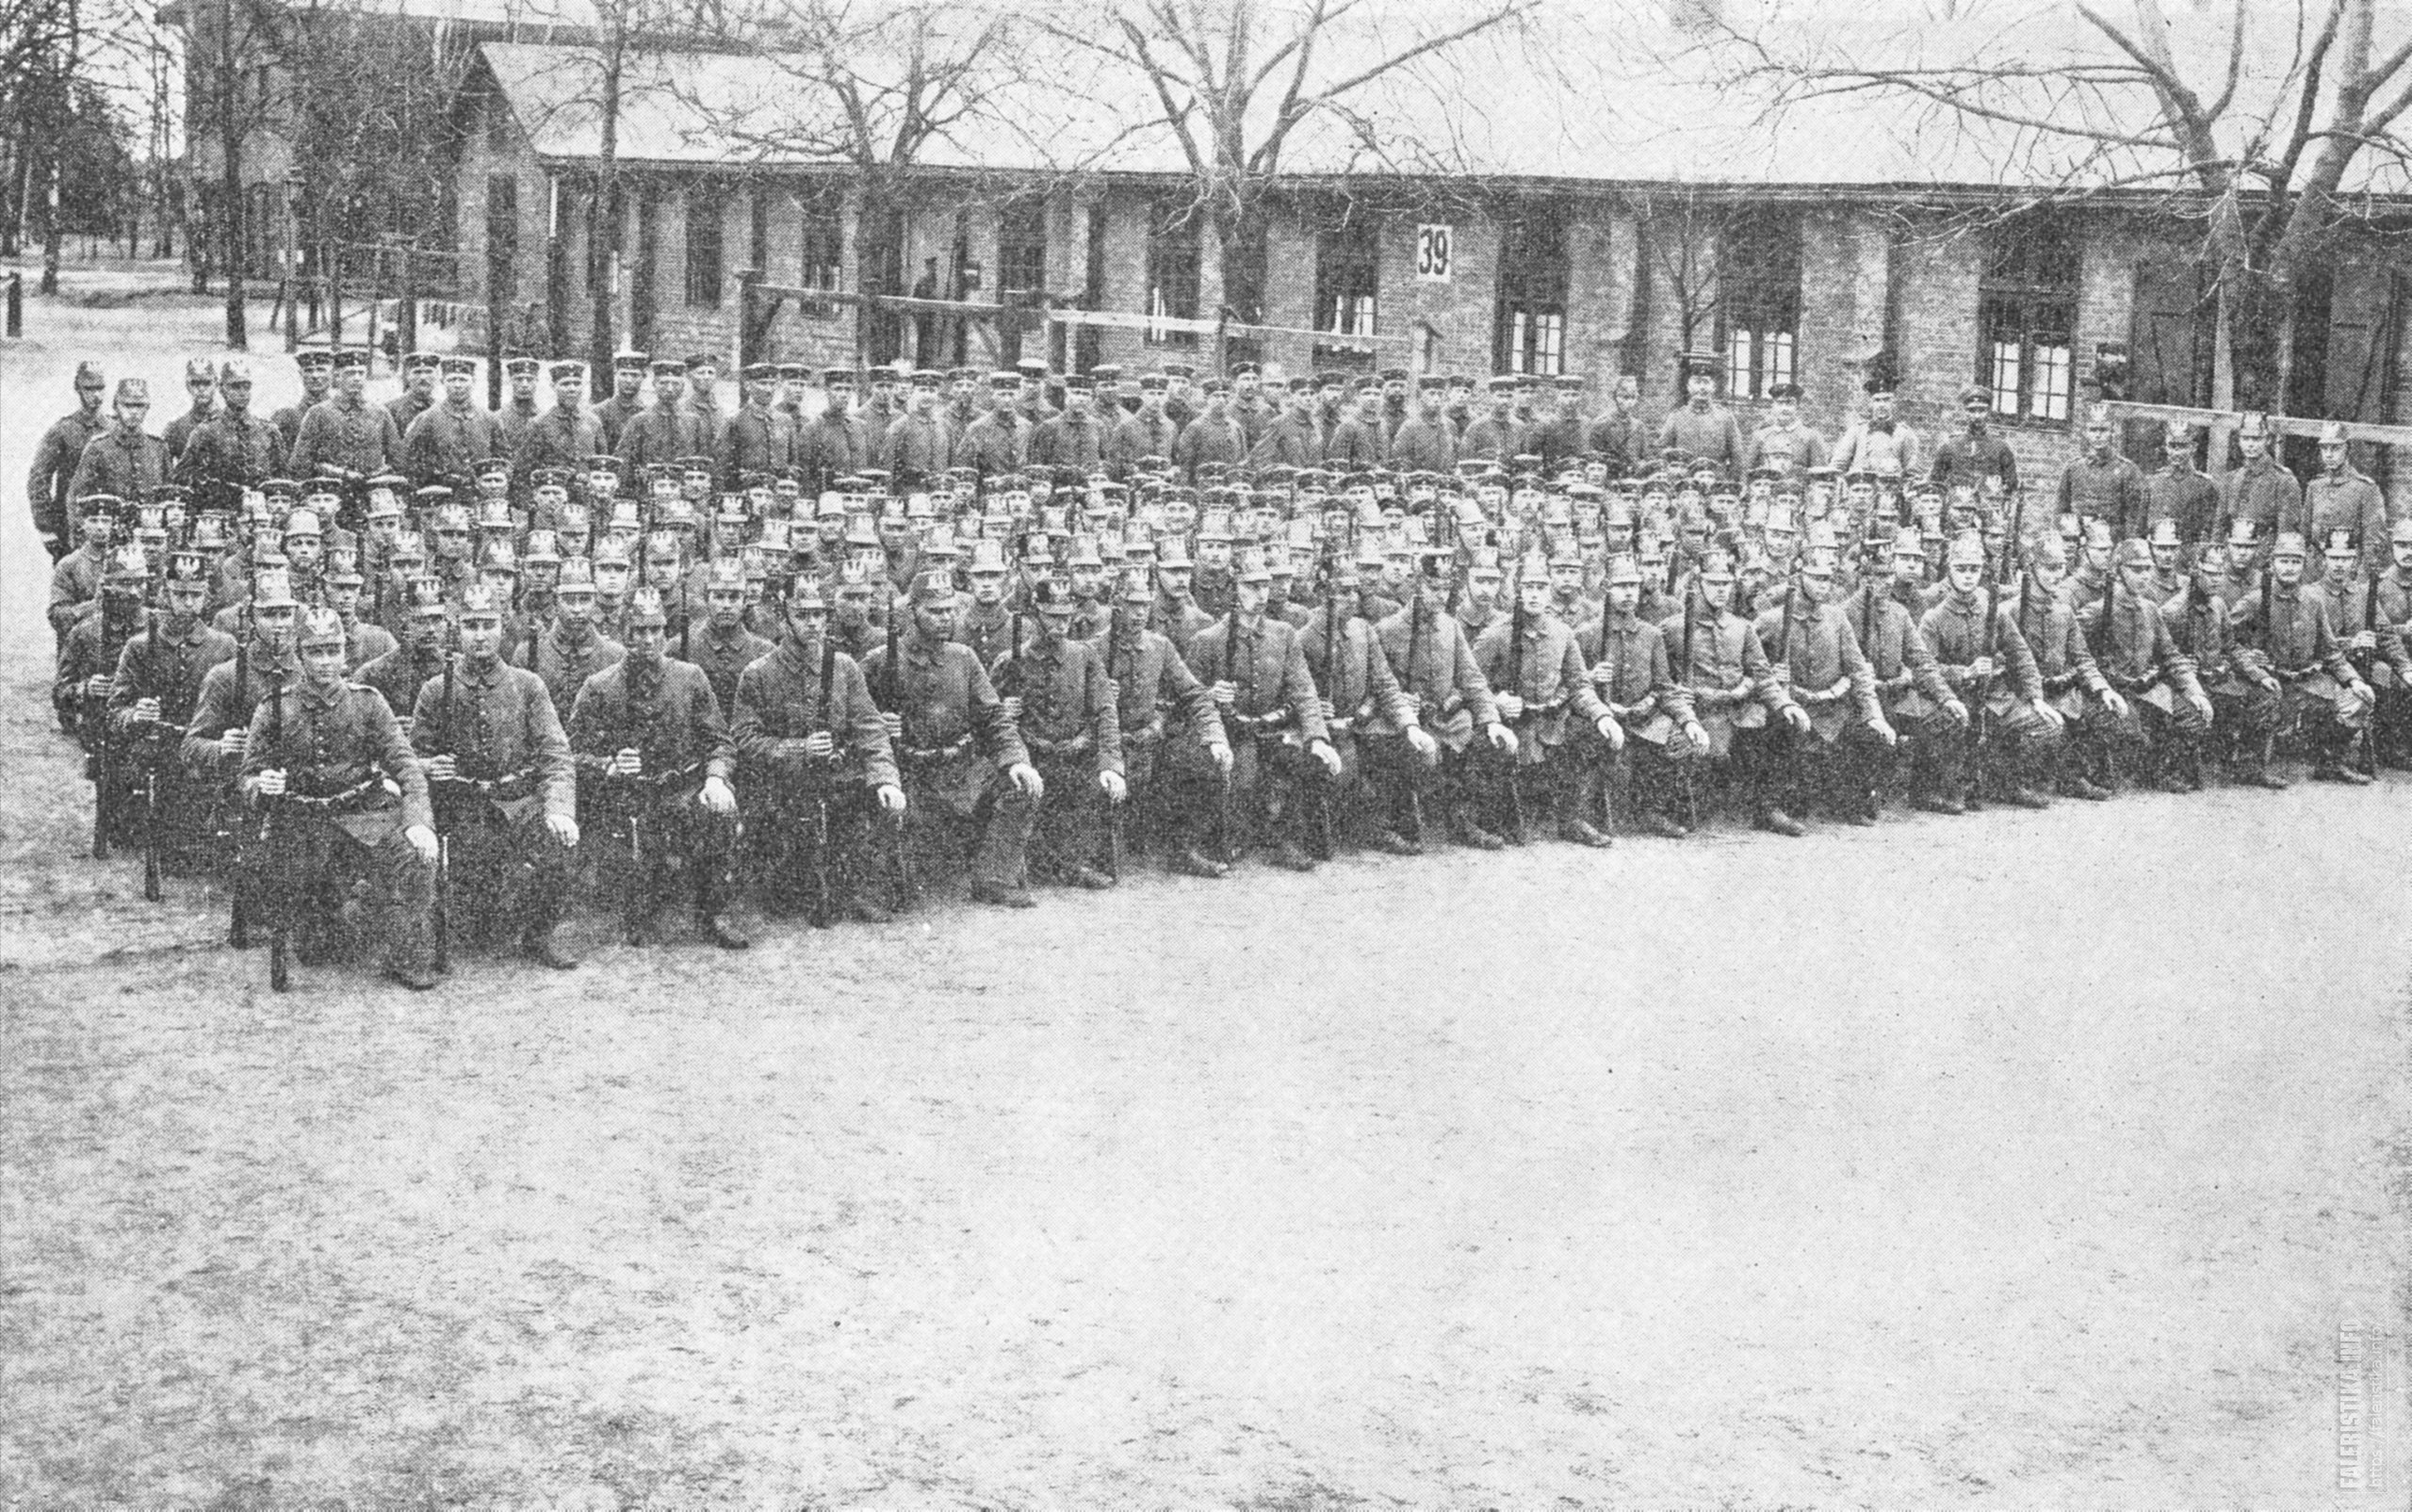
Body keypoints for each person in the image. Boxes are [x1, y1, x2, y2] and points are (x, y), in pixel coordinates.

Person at [240, 605, 440, 990]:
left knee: (412, 857)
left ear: (346, 653)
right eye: (315, 652)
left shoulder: (368, 702)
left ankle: (406, 955)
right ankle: (335, 913)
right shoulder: (275, 708)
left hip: (362, 816)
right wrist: (261, 785)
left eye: (333, 650)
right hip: (301, 823)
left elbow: (407, 768)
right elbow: (246, 776)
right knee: (316, 948)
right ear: (299, 654)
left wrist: (418, 822)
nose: (325, 661)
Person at [566, 587, 750, 947]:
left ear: (665, 633)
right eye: (639, 631)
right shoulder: (599, 686)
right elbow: (569, 754)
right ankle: (637, 905)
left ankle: (714, 912)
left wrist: (715, 779)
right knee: (635, 886)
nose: (648, 640)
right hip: (629, 797)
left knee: (718, 813)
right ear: (625, 633)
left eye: (655, 630)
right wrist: (608, 765)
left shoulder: (690, 677)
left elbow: (720, 742)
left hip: (682, 789)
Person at [411, 584, 581, 968]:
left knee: (557, 842)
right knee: (475, 923)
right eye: (471, 625)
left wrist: (558, 808)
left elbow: (556, 755)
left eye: (488, 624)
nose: (480, 635)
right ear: (457, 629)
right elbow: (412, 759)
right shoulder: (436, 690)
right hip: (463, 807)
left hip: (519, 801)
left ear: (503, 627)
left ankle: (539, 934)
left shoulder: (528, 685)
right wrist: (430, 765)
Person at [862, 569, 1045, 908]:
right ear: (912, 611)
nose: (945, 617)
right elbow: (856, 725)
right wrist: (881, 724)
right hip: (911, 775)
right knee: (901, 892)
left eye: (949, 609)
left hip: (961, 772)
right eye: (934, 611)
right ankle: (880, 882)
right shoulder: (880, 661)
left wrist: (1017, 761)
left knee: (1021, 784)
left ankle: (993, 878)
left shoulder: (963, 658)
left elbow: (994, 719)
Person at [730, 576, 904, 922]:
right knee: (789, 886)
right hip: (783, 785)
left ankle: (861, 888)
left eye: (819, 615)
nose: (812, 623)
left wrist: (886, 778)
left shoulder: (843, 667)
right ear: (784, 619)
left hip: (837, 779)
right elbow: (744, 738)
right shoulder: (759, 673)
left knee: (876, 807)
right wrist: (798, 749)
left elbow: (870, 728)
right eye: (802, 615)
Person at [1185, 548, 1342, 870]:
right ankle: (1229, 836)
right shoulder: (1208, 639)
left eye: (1265, 586)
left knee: (1312, 763)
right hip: (1231, 733)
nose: (1261, 595)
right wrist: (1211, 695)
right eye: (1251, 586)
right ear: (1235, 587)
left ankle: (1283, 837)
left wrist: (1317, 737)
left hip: (1273, 729)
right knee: (1241, 774)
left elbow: (1304, 690)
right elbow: (1187, 700)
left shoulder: (1283, 635)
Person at [1473, 553, 1618, 845]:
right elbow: (1471, 683)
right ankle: (1495, 817)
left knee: (1591, 735)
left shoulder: (1562, 633)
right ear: (1517, 590)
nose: (1534, 594)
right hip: (1515, 722)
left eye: (1540, 587)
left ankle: (1571, 818)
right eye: (1528, 587)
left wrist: (1601, 714)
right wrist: (1497, 701)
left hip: (1553, 721)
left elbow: (1579, 683)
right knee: (1489, 748)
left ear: (1549, 590)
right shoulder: (1495, 635)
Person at [990, 577, 1125, 888]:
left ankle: (1074, 863)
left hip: (1073, 756)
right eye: (1052, 616)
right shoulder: (1010, 660)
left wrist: (1110, 765)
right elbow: (986, 718)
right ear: (1036, 613)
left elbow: (1105, 712)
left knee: (1096, 787)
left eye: (1066, 616)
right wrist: (1003, 710)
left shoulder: (1084, 656)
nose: (1061, 624)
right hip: (1031, 758)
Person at [106, 551, 236, 870]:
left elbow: (237, 707)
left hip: (205, 746)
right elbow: (115, 711)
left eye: (196, 595)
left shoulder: (224, 646)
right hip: (156, 745)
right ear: (165, 594)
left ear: (207, 597)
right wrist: (136, 715)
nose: (188, 603)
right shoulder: (140, 646)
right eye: (180, 595)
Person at [1100, 565, 1234, 877]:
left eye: (1144, 605)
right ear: (1116, 605)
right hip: (1107, 746)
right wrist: (1100, 695)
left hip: (1150, 742)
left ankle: (1183, 849)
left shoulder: (1159, 646)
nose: (1139, 613)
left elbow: (1195, 694)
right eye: (1131, 605)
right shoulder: (1093, 649)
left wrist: (1215, 737)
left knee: (1202, 761)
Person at [1916, 531, 2061, 813]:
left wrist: (2036, 697)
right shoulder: (1934, 618)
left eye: (1974, 569)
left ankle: (2008, 783)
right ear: (1950, 570)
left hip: (1993, 697)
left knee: (2047, 724)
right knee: (1950, 726)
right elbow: (1924, 669)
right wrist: (1964, 673)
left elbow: (2020, 654)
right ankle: (1936, 789)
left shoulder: (1992, 610)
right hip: (1952, 697)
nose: (1968, 576)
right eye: (1961, 569)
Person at [2233, 529, 2375, 784]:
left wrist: (2354, 680)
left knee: (2358, 699)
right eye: (2283, 561)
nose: (2289, 567)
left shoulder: (2313, 601)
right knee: (2264, 699)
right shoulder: (2256, 600)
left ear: (2304, 564)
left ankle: (2329, 761)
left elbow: (2330, 651)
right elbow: (2228, 641)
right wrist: (2250, 660)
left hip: (2307, 681)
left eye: (2296, 561)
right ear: (2273, 563)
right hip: (2272, 680)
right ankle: (2251, 766)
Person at [1583, 551, 1703, 838]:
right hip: (1600, 716)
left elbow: (1664, 687)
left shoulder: (1651, 635)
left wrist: (1689, 720)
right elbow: (1573, 685)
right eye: (1621, 586)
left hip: (1643, 717)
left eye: (1633, 586)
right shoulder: (1586, 634)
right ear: (1606, 588)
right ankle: (1588, 812)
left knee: (1678, 736)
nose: (1628, 593)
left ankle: (1652, 810)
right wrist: (1591, 679)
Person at [2161, 539, 2286, 789]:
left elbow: (2231, 646)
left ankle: (2250, 767)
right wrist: (2187, 678)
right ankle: (2174, 770)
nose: (2216, 580)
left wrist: (2259, 675)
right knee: (2192, 715)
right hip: (2186, 686)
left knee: (2265, 695)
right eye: (2209, 573)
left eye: (2219, 573)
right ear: (2195, 571)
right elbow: (2164, 659)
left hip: (2217, 681)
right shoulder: (2173, 611)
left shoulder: (2217, 605)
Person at [29, 362, 109, 561]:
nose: (96, 395)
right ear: (78, 389)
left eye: (100, 388)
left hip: (109, 526)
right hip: (69, 529)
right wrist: (46, 528)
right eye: (89, 389)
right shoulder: (62, 431)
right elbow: (38, 479)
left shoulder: (114, 428)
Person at [286, 350, 405, 480]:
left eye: (361, 373)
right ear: (337, 377)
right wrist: (336, 472)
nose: (356, 378)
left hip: (372, 486)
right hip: (331, 487)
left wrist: (380, 474)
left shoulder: (380, 413)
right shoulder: (318, 413)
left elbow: (398, 460)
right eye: (350, 373)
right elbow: (301, 461)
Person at [403, 355, 504, 492]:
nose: (457, 385)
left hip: (481, 493)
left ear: (473, 381)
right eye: (451, 380)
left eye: (463, 380)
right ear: (442, 382)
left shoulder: (489, 418)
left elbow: (503, 460)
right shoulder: (427, 418)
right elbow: (409, 460)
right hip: (440, 494)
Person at [2304, 421, 2389, 577]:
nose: (2329, 454)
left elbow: (2373, 539)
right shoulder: (2315, 486)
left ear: (2347, 449)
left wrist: (2363, 577)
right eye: (2324, 448)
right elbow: (2305, 534)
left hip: (2350, 570)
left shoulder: (2365, 488)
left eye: (2335, 448)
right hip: (2315, 571)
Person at [70, 380, 169, 503]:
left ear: (147, 407)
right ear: (116, 407)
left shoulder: (158, 448)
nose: (134, 412)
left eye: (139, 406)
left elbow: (169, 495)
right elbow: (76, 498)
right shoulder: (98, 448)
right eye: (127, 405)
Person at [2215, 412, 2300, 557]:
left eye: (2256, 439)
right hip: (2232, 554)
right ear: (2239, 440)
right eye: (2245, 438)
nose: (2250, 444)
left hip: (2264, 555)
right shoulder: (2231, 478)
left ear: (2268, 440)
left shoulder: (2283, 480)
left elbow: (2286, 531)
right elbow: (2220, 524)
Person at [1656, 353, 1746, 473]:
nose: (1702, 387)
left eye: (1706, 382)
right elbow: (1662, 451)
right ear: (1688, 386)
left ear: (1714, 387)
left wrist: (1729, 479)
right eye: (1697, 382)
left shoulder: (1725, 418)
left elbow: (1737, 455)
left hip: (1715, 478)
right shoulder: (1676, 417)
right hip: (1685, 480)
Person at [1928, 383, 2019, 496]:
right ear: (1965, 412)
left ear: (1988, 412)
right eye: (1972, 411)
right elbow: (1935, 483)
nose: (1977, 416)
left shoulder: (2000, 447)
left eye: (1982, 411)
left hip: (1990, 504)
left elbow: (2011, 485)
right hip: (1958, 504)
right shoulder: (1950, 446)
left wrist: (1997, 491)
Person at [1830, 382, 1921, 480]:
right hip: (1861, 486)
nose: (1881, 405)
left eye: (1886, 400)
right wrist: (1840, 480)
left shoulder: (1905, 434)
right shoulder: (1857, 431)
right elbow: (1838, 465)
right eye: (1877, 400)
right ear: (1870, 404)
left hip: (1890, 487)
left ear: (1894, 404)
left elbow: (1912, 473)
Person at [2144, 428, 2219, 545]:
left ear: (2193, 448)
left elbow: (2210, 527)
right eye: (2172, 446)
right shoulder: (2153, 482)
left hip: (2189, 548)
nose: (2176, 452)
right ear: (2166, 447)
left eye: (2182, 446)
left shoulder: (2205, 485)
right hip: (2159, 547)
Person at [1745, 382, 1828, 476]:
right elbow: (1747, 473)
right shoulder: (1760, 436)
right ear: (1773, 406)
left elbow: (1819, 475)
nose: (1784, 408)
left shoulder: (1811, 436)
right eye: (1779, 403)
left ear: (1797, 407)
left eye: (1789, 403)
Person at [270, 350, 334, 458]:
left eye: (321, 370)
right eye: (308, 370)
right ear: (301, 374)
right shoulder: (285, 417)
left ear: (331, 374)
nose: (315, 375)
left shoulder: (342, 414)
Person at [161, 356, 220, 462]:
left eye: (206, 383)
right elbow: (161, 466)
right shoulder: (176, 429)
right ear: (188, 386)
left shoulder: (231, 424)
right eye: (195, 383)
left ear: (216, 383)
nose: (201, 389)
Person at [590, 350, 650, 453]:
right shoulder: (598, 413)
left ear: (643, 377)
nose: (628, 380)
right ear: (615, 375)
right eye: (623, 374)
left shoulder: (648, 415)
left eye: (634, 375)